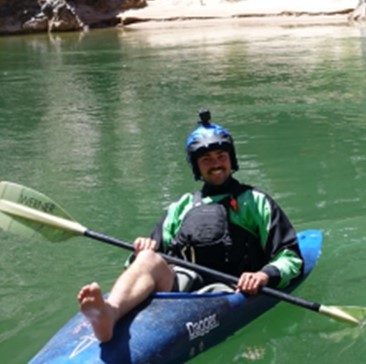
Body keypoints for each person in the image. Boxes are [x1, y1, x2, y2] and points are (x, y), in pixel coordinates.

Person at [78, 109, 304, 342]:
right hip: (183, 289)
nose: (215, 164)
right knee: (147, 257)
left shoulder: (256, 202)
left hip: (231, 290)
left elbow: (291, 258)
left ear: (231, 159)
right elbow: (138, 266)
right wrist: (140, 252)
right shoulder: (182, 206)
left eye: (221, 156)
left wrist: (263, 276)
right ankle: (110, 312)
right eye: (206, 159)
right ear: (197, 167)